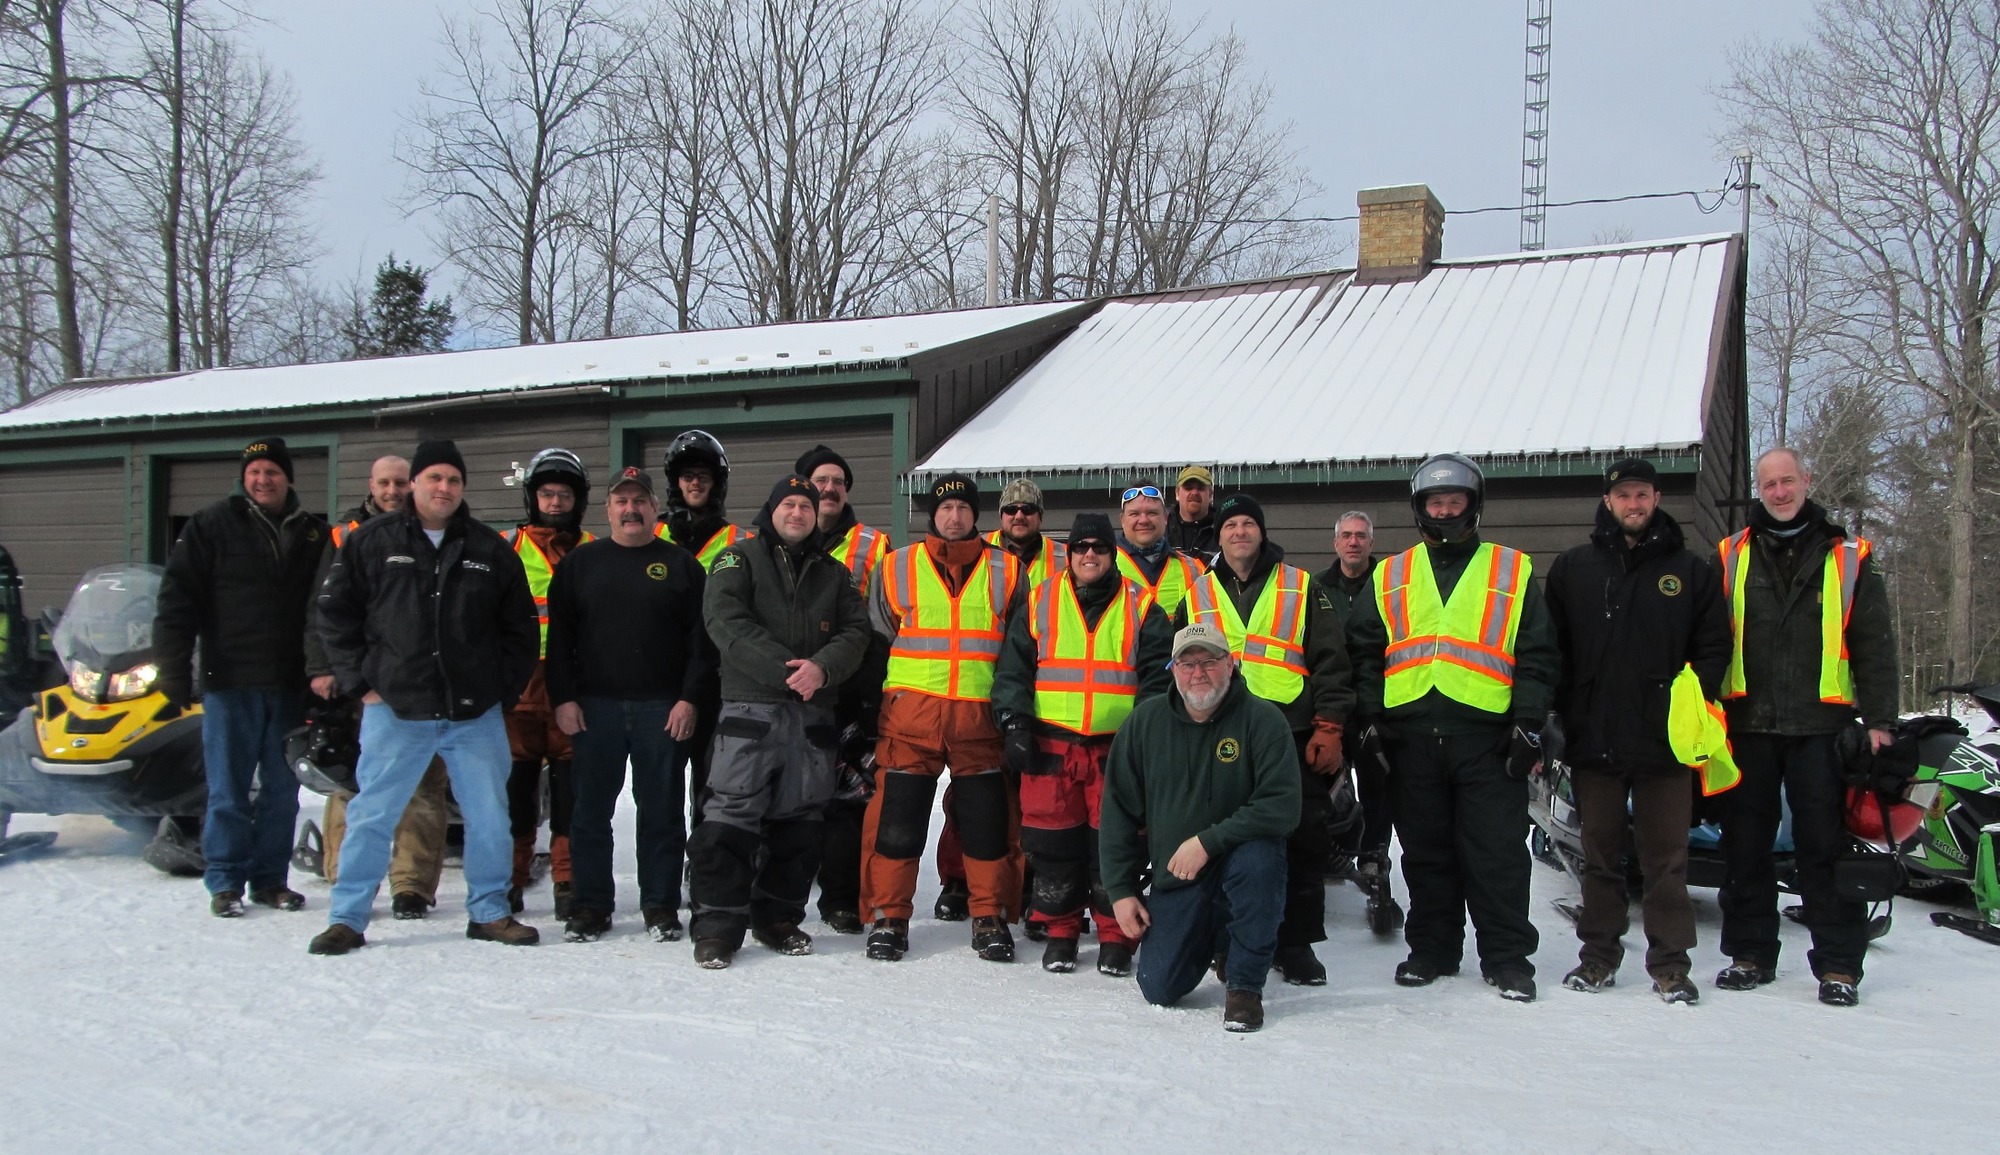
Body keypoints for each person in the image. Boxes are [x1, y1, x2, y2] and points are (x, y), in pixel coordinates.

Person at [307, 440, 541, 954]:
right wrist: (360, 683)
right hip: (397, 708)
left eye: (453, 480)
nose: (444, 488)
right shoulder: (372, 541)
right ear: (414, 483)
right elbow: (332, 612)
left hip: (472, 713)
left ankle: (490, 911)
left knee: (490, 818)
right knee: (371, 816)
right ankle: (347, 917)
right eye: (434, 478)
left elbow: (520, 627)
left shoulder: (488, 549)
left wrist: (500, 691)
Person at [1347, 453, 1558, 1001]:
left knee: (1497, 855)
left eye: (1454, 501)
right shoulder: (1391, 573)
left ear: (1473, 505)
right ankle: (1433, 949)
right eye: (1434, 502)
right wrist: (1369, 718)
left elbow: (1536, 653)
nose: (1444, 510)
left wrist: (1529, 724)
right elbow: (1365, 651)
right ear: (1420, 509)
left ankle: (1508, 957)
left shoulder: (1512, 569)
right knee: (1424, 852)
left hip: (1486, 740)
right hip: (1411, 740)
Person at [1712, 447, 1898, 1006]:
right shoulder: (1729, 555)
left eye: (1788, 481)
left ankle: (1838, 965)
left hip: (1822, 727)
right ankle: (1750, 955)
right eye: (1769, 484)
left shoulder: (1848, 555)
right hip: (1746, 724)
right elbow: (1707, 636)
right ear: (1759, 490)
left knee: (1823, 846)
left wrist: (1881, 721)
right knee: (1745, 847)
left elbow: (1875, 646)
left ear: (1806, 482)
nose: (1780, 492)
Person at [1545, 458, 1731, 1003]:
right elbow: (1551, 649)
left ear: (1656, 498)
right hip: (1594, 740)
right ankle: (1598, 956)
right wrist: (1557, 717)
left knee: (1666, 863)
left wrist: (1695, 700)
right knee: (1600, 858)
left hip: (1664, 746)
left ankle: (1671, 964)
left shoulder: (1690, 572)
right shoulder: (1575, 568)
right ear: (1608, 501)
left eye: (1642, 494)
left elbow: (1715, 647)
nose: (1634, 504)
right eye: (1623, 495)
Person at [687, 473, 873, 968]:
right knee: (729, 818)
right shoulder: (738, 559)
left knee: (801, 823)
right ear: (771, 511)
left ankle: (777, 918)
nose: (797, 514)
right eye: (788, 504)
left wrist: (823, 669)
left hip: (812, 717)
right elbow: (725, 619)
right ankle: (717, 926)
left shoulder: (834, 574)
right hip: (750, 712)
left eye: (806, 507)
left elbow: (857, 633)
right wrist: (788, 671)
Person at [1183, 493, 1354, 986]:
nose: (1240, 532)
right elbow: (1177, 669)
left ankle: (1295, 943)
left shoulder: (1301, 586)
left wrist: (1329, 726)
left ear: (1262, 532)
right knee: (1221, 838)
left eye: (1248, 524)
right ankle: (1226, 936)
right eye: (1230, 525)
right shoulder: (1197, 593)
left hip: (1291, 734)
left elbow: (1332, 662)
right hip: (1220, 735)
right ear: (1219, 536)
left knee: (1301, 837)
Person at [155, 437, 329, 918]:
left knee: (281, 790)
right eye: (254, 472)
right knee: (228, 791)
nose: (262, 479)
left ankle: (271, 880)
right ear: (243, 477)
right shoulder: (212, 526)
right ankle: (226, 881)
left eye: (272, 471)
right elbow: (176, 603)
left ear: (288, 477)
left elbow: (324, 610)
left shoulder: (314, 535)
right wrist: (172, 670)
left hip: (288, 684)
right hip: (229, 680)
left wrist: (321, 673)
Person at [992, 512, 1172, 975]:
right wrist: (1014, 723)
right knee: (1054, 846)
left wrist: (1146, 739)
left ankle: (1116, 934)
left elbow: (1157, 680)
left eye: (1099, 547)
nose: (1089, 554)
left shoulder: (1143, 605)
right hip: (1052, 748)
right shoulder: (1039, 601)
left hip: (1117, 751)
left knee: (1114, 846)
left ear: (1113, 554)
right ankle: (1062, 930)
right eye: (1080, 547)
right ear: (1068, 554)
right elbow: (1013, 670)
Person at [1100, 624, 1301, 1032]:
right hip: (1179, 877)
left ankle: (1244, 987)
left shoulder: (1263, 720)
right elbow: (1118, 811)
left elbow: (1282, 806)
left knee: (1260, 860)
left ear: (1231, 663)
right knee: (1159, 986)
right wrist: (1120, 891)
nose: (1199, 673)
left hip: (1240, 865)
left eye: (1209, 661)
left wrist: (1208, 842)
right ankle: (1220, 937)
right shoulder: (1145, 724)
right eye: (1188, 663)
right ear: (1172, 670)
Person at [545, 466, 714, 944]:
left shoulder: (681, 566)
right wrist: (563, 699)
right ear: (608, 510)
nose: (630, 509)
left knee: (660, 811)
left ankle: (659, 905)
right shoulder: (581, 564)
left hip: (660, 709)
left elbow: (701, 644)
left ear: (654, 509)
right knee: (590, 811)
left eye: (639, 501)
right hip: (593, 708)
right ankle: (590, 905)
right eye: (621, 501)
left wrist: (689, 699)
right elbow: (560, 641)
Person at [861, 473, 1026, 962]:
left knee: (987, 825)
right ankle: (889, 917)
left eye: (963, 508)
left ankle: (989, 916)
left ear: (978, 516)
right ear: (931, 515)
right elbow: (877, 639)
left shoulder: (1010, 571)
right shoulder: (896, 568)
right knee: (896, 824)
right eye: (945, 508)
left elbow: (1020, 649)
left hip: (980, 723)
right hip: (910, 721)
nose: (954, 517)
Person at [304, 454, 449, 920]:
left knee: (423, 784)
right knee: (354, 782)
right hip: (360, 681)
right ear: (371, 484)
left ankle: (411, 884)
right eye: (384, 482)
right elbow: (321, 609)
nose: (393, 490)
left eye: (401, 482)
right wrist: (325, 669)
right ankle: (347, 876)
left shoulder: (434, 533)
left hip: (418, 683)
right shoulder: (343, 536)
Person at [935, 474, 1068, 925]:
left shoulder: (1065, 557)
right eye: (1010, 510)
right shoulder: (980, 553)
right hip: (980, 686)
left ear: (1040, 516)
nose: (1018, 517)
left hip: (1047, 690)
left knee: (1032, 798)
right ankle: (957, 879)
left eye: (1027, 510)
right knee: (971, 797)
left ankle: (1027, 879)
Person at [797, 444, 892, 935]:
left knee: (848, 797)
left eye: (838, 480)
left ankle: (839, 897)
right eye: (820, 480)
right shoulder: (771, 538)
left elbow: (885, 620)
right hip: (790, 688)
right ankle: (777, 894)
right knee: (789, 793)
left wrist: (874, 693)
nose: (829, 488)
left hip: (852, 688)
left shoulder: (873, 544)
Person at [502, 448, 594, 917]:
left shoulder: (596, 549)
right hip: (519, 689)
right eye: (546, 493)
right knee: (516, 791)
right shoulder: (504, 547)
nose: (555, 502)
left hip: (573, 690)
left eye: (564, 494)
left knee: (569, 791)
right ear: (531, 496)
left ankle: (566, 879)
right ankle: (512, 877)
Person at [1313, 510, 1401, 933]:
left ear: (1371, 541)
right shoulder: (1316, 588)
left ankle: (1374, 860)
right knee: (1325, 784)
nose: (1353, 543)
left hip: (1374, 708)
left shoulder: (1390, 585)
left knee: (1378, 785)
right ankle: (1328, 849)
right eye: (1346, 535)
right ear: (1335, 542)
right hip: (1329, 706)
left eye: (1361, 536)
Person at [658, 430, 744, 835]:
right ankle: (664, 866)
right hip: (662, 681)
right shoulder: (652, 538)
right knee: (660, 785)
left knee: (712, 779)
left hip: (718, 682)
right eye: (687, 475)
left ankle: (704, 859)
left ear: (717, 483)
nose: (695, 483)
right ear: (675, 482)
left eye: (703, 476)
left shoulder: (740, 543)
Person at [1115, 481, 1209, 620]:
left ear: (1165, 517)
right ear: (1122, 520)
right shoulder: (1106, 566)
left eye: (1151, 513)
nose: (1143, 520)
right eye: (1134, 514)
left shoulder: (1194, 569)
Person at [1164, 465, 1219, 561]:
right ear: (1177, 493)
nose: (1194, 493)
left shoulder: (1222, 530)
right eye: (1188, 488)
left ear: (1210, 495)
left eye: (1201, 488)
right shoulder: (1162, 528)